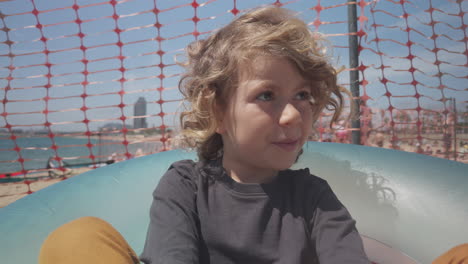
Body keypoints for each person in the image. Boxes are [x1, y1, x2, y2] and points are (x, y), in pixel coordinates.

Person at [38, 6, 466, 264]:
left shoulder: (313, 197)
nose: (292, 115)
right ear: (217, 112)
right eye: (267, 95)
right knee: (77, 237)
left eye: (302, 95)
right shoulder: (185, 187)